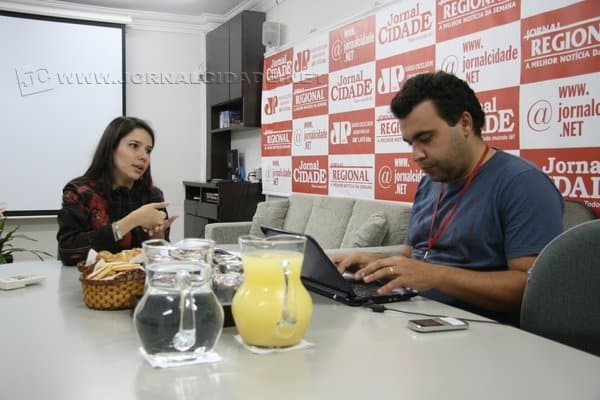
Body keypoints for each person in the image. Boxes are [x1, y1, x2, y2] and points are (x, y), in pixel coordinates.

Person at [332, 71, 564, 323]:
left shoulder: (522, 184)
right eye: (410, 143)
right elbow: (417, 256)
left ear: (465, 124)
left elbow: (532, 287)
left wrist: (436, 276)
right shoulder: (430, 182)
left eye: (425, 139)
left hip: (481, 330)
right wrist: (379, 263)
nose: (416, 155)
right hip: (416, 312)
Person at [57, 116, 177, 266]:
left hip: (139, 283)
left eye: (148, 150)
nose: (144, 156)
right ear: (111, 147)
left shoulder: (152, 195)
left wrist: (159, 236)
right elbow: (68, 251)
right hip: (94, 285)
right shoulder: (79, 192)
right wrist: (132, 220)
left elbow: (159, 259)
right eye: (134, 146)